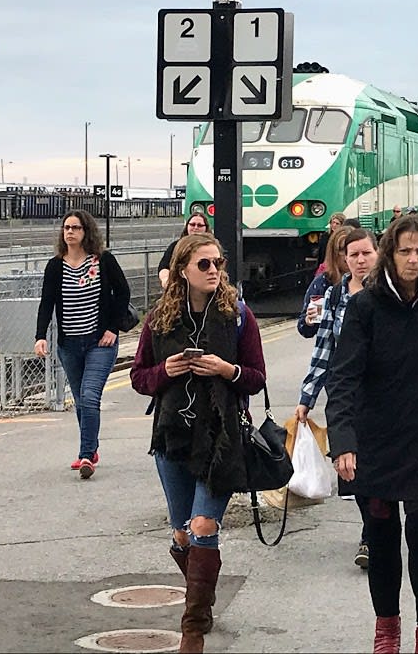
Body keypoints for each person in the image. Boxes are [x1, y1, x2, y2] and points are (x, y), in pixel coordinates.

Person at [325, 214, 418, 654]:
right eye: (404, 251)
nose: (412, 259)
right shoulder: (365, 306)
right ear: (390, 253)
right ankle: (387, 630)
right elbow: (343, 377)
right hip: (377, 442)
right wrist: (343, 439)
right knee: (383, 545)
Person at [129, 233, 267, 653]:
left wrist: (227, 370)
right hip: (172, 440)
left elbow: (257, 378)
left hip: (220, 440)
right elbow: (139, 378)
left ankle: (191, 629)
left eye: (218, 264)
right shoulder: (160, 319)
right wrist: (165, 371)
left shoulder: (239, 316)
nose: (213, 271)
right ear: (183, 269)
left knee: (204, 525)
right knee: (184, 535)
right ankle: (202, 602)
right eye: (204, 264)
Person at [295, 227, 379, 570]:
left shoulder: (388, 293)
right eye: (353, 255)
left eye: (366, 253)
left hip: (386, 395)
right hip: (347, 396)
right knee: (354, 467)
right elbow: (324, 347)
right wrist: (307, 396)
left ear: (378, 254)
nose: (360, 261)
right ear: (344, 259)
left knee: (382, 465)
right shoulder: (335, 295)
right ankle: (370, 533)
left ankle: (379, 528)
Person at [34, 209, 132, 478]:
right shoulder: (56, 266)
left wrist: (113, 328)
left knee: (89, 397)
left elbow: (123, 292)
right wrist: (40, 336)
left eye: (76, 228)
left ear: (86, 232)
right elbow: (47, 303)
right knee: (80, 401)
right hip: (69, 345)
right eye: (66, 227)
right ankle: (92, 445)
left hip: (99, 342)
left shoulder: (103, 261)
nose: (70, 232)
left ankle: (86, 455)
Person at [157, 213, 211, 289]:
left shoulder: (211, 247)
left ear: (206, 228)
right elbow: (164, 266)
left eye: (200, 225)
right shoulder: (176, 246)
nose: (195, 227)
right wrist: (166, 280)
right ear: (187, 226)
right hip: (180, 289)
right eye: (192, 224)